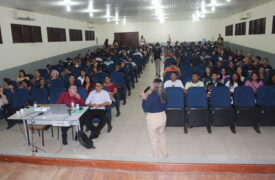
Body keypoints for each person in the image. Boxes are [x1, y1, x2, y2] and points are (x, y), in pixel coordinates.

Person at [140, 78, 168, 159]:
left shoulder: (151, 96)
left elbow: (145, 109)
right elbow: (165, 105)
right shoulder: (164, 93)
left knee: (153, 139)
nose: (150, 84)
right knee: (162, 136)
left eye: (151, 83)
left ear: (155, 85)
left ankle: (156, 158)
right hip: (163, 116)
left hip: (153, 119)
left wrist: (144, 99)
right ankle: (165, 154)